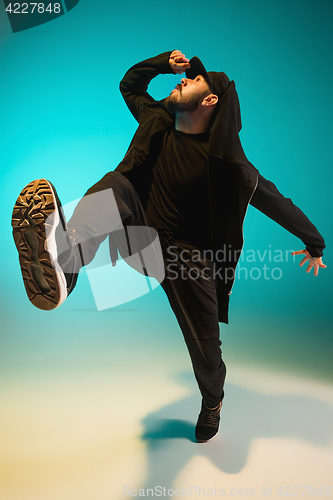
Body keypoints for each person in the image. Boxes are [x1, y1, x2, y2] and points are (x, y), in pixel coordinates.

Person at [11, 50, 326, 443]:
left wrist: (315, 244)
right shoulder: (158, 120)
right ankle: (65, 260)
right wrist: (163, 63)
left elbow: (278, 202)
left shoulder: (231, 166)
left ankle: (213, 402)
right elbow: (130, 86)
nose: (182, 81)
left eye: (192, 80)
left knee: (207, 352)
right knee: (117, 185)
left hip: (186, 262)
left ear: (210, 101)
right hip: (139, 232)